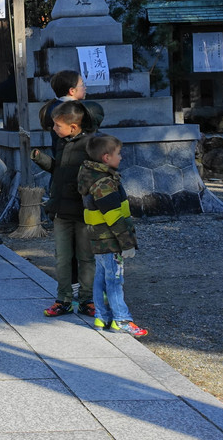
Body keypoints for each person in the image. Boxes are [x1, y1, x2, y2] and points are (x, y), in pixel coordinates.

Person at [31, 100, 97, 318]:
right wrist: (41, 160)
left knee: (86, 257)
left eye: (57, 125)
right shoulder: (62, 143)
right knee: (62, 257)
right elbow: (57, 169)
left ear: (73, 127)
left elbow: (97, 176)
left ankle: (87, 299)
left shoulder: (91, 145)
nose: (54, 129)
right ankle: (64, 299)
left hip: (83, 211)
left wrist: (79, 186)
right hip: (60, 211)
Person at [78, 133, 147, 337]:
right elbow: (114, 217)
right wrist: (126, 243)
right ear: (106, 158)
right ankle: (122, 319)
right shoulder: (104, 183)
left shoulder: (90, 176)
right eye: (118, 153)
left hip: (98, 238)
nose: (121, 157)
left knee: (101, 278)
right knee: (115, 280)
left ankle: (102, 316)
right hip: (111, 240)